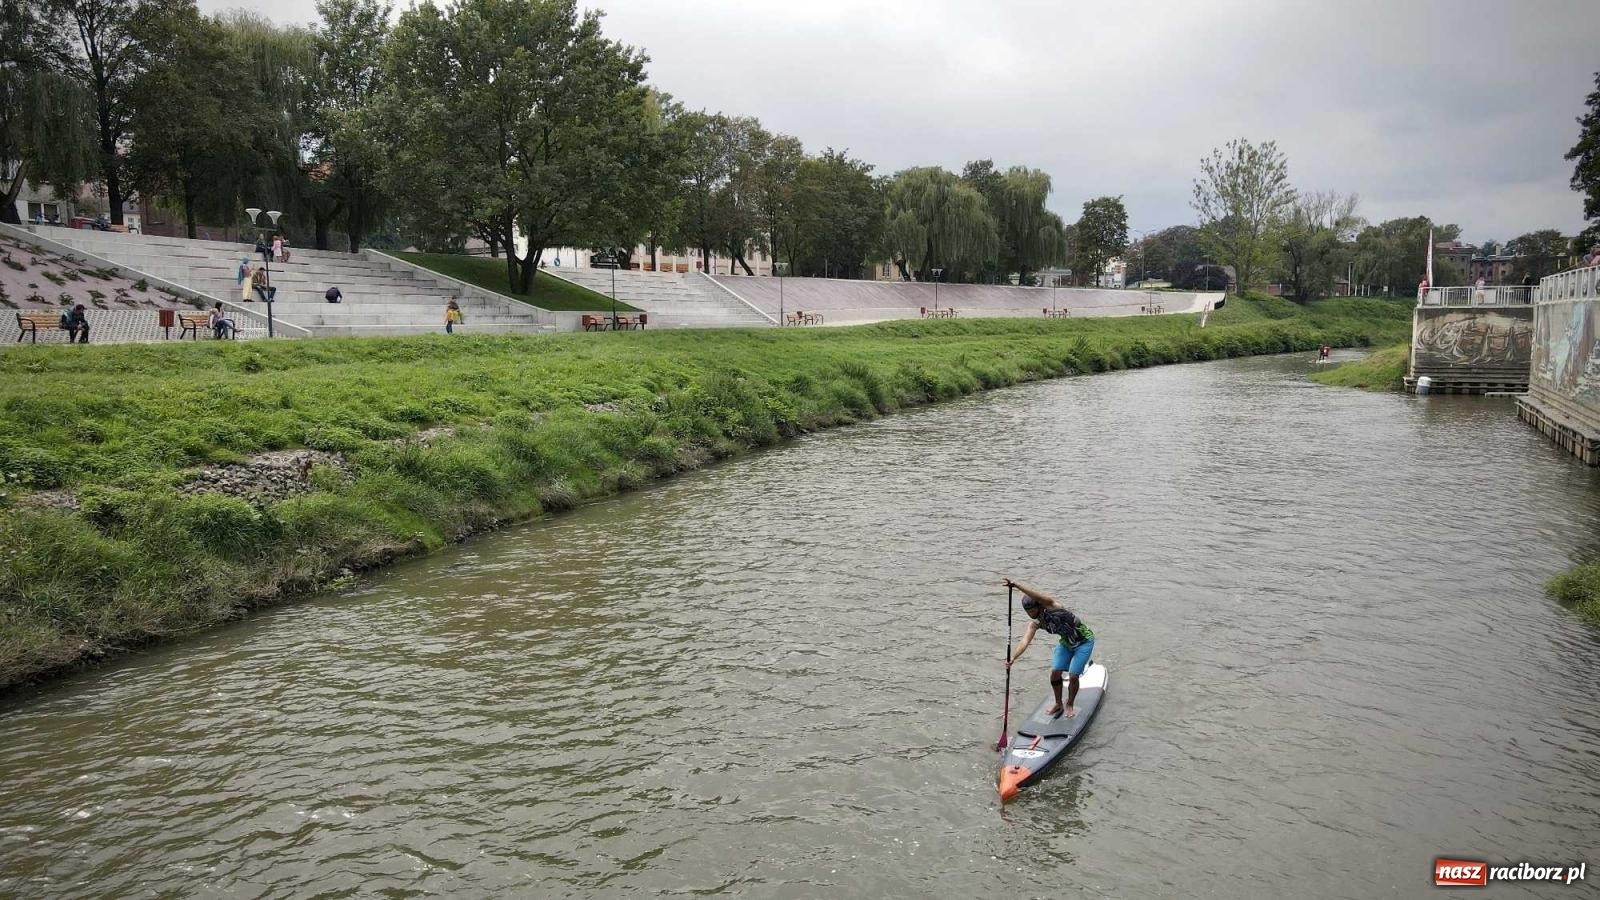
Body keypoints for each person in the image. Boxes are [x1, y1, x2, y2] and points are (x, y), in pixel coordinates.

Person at [1004, 578, 1096, 718]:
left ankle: (1069, 703)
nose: (1031, 613)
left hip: (1084, 641)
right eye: (1028, 611)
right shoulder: (1034, 624)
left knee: (1073, 675)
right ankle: (1058, 703)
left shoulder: (1052, 605)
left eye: (1033, 609)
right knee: (1055, 673)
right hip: (1066, 642)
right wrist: (1013, 658)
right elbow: (1025, 641)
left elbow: (1037, 596)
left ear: (1039, 605)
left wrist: (1017, 586)